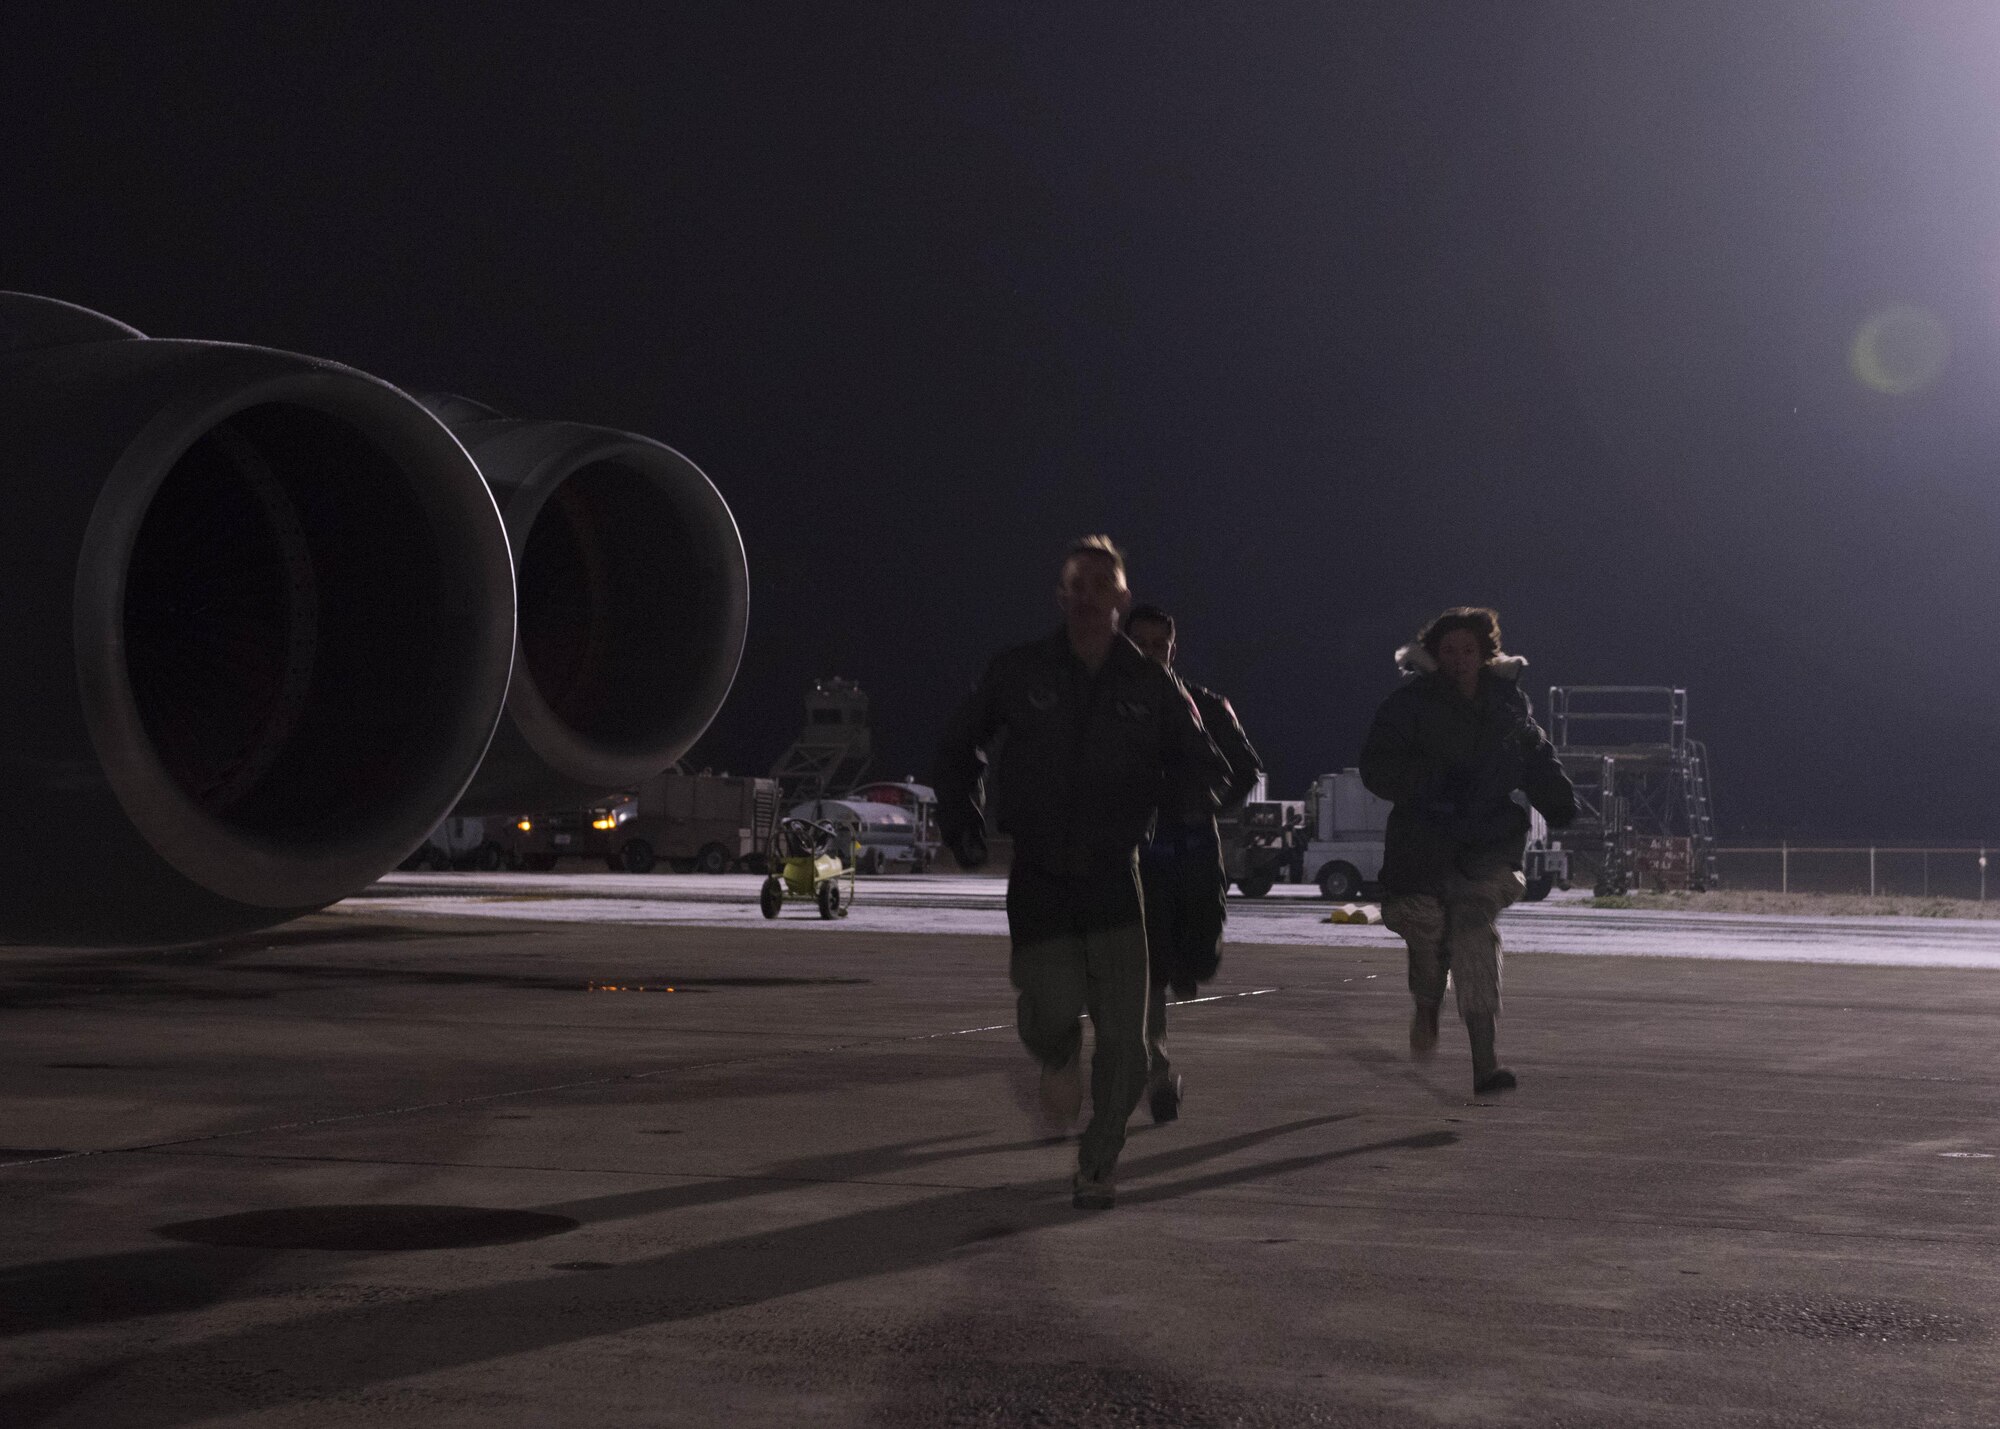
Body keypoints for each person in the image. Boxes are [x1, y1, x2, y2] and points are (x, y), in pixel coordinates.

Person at [933, 537, 1225, 1210]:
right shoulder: (1018, 671)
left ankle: (1099, 1162)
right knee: (1047, 1010)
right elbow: (958, 744)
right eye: (1078, 584)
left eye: (1103, 584)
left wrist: (1177, 807)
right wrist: (962, 820)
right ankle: (1057, 1053)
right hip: (1039, 879)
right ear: (1061, 596)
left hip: (1115, 882)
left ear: (1121, 598)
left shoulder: (1153, 686)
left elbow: (1204, 762)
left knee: (1126, 1039)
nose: (1090, 595)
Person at [1358, 607, 1575, 1095]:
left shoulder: (1508, 703)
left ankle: (1485, 1064)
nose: (1459, 660)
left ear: (1485, 655)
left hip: (1486, 844)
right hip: (1423, 844)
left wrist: (1558, 799)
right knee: (1430, 939)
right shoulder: (1407, 705)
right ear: (1435, 655)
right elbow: (1377, 766)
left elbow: (1534, 753)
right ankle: (1427, 1006)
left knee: (1475, 935)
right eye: (1449, 651)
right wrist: (1432, 785)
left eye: (1468, 651)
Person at [1124, 604, 1262, 1124]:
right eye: (1140, 644)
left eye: (1159, 646)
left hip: (1197, 849)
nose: (1150, 655)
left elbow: (1246, 767)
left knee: (1202, 956)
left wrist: (1210, 803)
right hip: (1138, 857)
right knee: (1148, 973)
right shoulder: (1108, 712)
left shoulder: (1205, 704)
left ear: (1173, 650)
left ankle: (1190, 965)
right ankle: (1157, 1074)